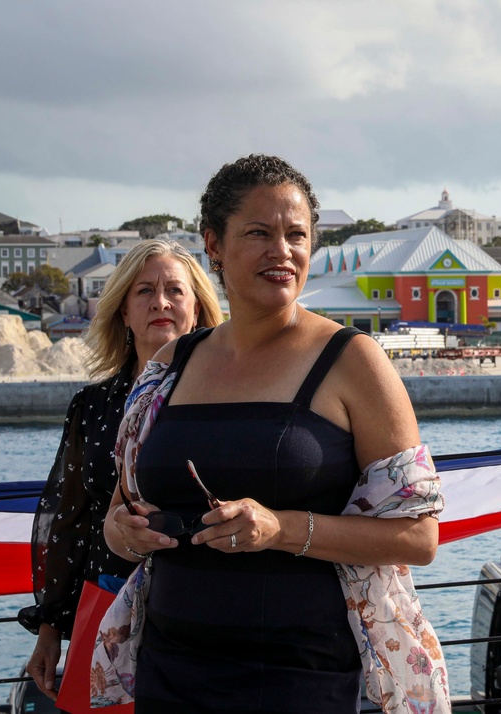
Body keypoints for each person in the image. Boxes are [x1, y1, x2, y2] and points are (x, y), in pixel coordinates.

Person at [101, 154, 448, 713]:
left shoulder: (352, 361)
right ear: (212, 243)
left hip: (303, 677)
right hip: (169, 669)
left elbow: (418, 537)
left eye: (296, 235)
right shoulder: (170, 365)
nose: (281, 251)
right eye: (259, 233)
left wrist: (280, 528)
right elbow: (118, 517)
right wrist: (124, 533)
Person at [20, 239, 224, 700]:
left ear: (198, 310)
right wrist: (50, 627)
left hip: (206, 607)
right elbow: (69, 520)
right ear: (123, 313)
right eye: (144, 291)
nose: (161, 302)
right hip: (106, 599)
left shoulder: (226, 402)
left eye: (176, 290)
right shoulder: (91, 406)